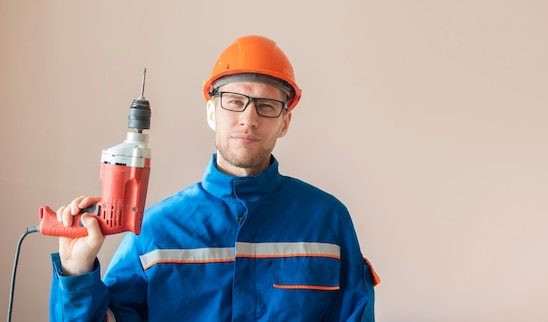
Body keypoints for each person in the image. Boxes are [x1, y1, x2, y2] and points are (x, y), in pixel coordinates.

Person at [49, 35, 379, 321]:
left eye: (266, 106)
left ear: (285, 122)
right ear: (211, 112)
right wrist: (76, 270)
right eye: (234, 102)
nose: (248, 119)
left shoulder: (327, 221)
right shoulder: (156, 232)